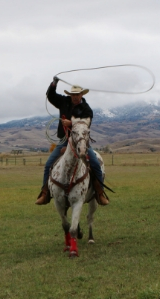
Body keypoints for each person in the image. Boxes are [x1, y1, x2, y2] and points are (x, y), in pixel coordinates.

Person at [35, 77, 109, 206]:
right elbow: (50, 96)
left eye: (77, 94)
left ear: (81, 95)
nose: (75, 97)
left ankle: (99, 193)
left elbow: (86, 123)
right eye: (73, 94)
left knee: (96, 164)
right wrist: (54, 83)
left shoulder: (86, 109)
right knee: (48, 164)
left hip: (81, 142)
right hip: (64, 141)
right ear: (70, 95)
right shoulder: (64, 101)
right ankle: (45, 192)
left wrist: (71, 123)